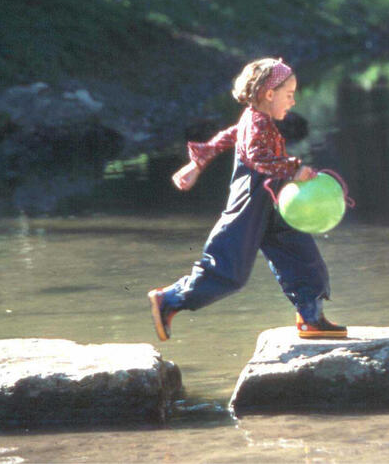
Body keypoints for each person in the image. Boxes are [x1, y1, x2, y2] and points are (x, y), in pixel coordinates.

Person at [148, 57, 347, 341]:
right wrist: (293, 169)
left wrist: (197, 164)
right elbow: (257, 156)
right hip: (249, 206)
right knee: (227, 271)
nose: (293, 102)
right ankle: (169, 299)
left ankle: (311, 317)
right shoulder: (256, 122)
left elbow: (226, 137)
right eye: (289, 95)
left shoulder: (256, 119)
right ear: (270, 94)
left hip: (273, 204)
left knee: (302, 257)